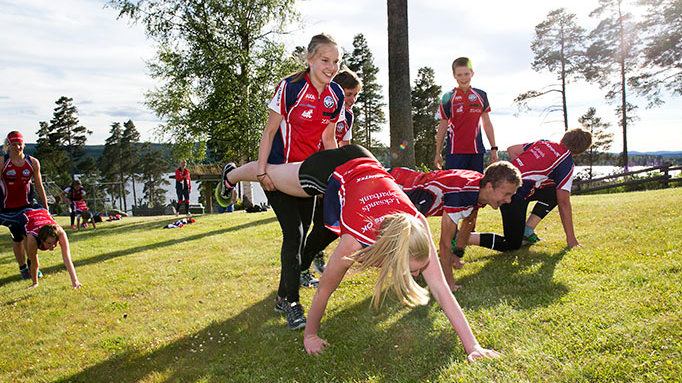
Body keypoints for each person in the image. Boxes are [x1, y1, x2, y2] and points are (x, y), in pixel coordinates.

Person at [219, 144, 500, 362]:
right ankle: (231, 175)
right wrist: (311, 335)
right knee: (270, 174)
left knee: (276, 174)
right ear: (391, 253)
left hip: (366, 160)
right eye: (413, 269)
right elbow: (324, 291)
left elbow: (442, 290)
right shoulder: (354, 240)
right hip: (330, 170)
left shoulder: (419, 227)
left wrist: (472, 346)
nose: (417, 274)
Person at [219, 33, 345, 330]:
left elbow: (328, 138)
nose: (331, 67)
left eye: (336, 61)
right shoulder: (290, 88)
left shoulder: (336, 94)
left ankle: (280, 297)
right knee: (294, 233)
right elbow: (270, 131)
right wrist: (262, 172)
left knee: (300, 238)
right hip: (278, 171)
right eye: (325, 60)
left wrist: (341, 173)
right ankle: (291, 303)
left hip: (307, 175)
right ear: (310, 59)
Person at [389, 163, 521, 291]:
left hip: (400, 181)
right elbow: (445, 244)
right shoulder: (462, 193)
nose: (509, 200)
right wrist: (449, 283)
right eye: (506, 194)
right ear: (489, 187)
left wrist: (458, 253)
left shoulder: (479, 188)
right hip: (394, 184)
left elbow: (469, 221)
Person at [470, 128, 593, 251]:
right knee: (511, 245)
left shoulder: (545, 143)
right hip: (512, 195)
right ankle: (462, 237)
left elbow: (512, 150)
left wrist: (518, 176)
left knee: (553, 193)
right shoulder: (566, 161)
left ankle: (527, 230)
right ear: (579, 152)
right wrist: (571, 238)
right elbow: (564, 203)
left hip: (511, 186)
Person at [299, 68, 363, 288]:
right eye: (348, 94)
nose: (352, 100)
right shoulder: (326, 109)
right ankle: (302, 269)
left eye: (355, 95)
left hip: (335, 176)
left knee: (331, 225)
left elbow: (343, 146)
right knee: (322, 225)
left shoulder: (350, 115)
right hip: (316, 172)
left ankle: (314, 255)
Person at [434, 57, 498, 173]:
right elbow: (443, 126)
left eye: (466, 74)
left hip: (476, 150)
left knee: (475, 187)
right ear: (454, 76)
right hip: (455, 151)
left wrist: (494, 148)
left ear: (472, 74)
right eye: (459, 75)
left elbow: (487, 124)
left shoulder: (481, 95)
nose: (463, 78)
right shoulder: (448, 97)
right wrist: (438, 152)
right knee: (454, 187)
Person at [1, 131, 49, 279]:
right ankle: (23, 269)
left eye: (20, 144)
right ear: (8, 146)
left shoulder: (33, 162)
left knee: (30, 235)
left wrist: (46, 208)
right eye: (14, 144)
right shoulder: (3, 162)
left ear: (24, 145)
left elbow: (39, 186)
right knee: (17, 238)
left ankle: (33, 267)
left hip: (27, 206)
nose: (17, 147)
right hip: (7, 207)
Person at [0, 207, 82, 288]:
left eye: (55, 242)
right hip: (25, 215)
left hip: (42, 210)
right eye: (49, 243)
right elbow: (34, 262)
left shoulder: (60, 233)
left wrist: (75, 282)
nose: (53, 246)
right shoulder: (32, 238)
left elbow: (67, 258)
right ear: (42, 241)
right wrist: (35, 283)